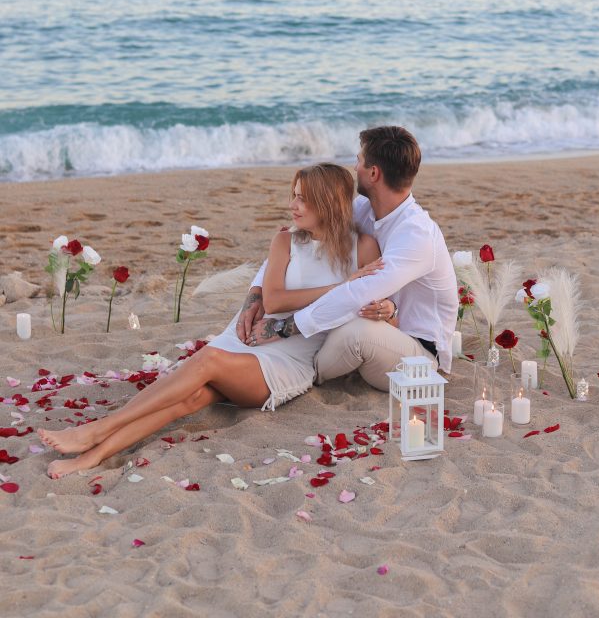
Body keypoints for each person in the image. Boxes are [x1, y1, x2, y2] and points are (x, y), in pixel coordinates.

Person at [38, 163, 381, 478]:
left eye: (303, 199)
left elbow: (372, 303)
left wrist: (356, 291)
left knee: (207, 361)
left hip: (287, 361)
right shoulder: (285, 240)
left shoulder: (362, 248)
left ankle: (96, 431)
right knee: (189, 399)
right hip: (242, 341)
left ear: (327, 203)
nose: (293, 204)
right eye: (293, 195)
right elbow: (274, 299)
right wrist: (341, 286)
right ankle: (92, 455)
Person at [243, 126, 459, 390]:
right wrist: (256, 292)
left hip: (418, 353)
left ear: (373, 173)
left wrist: (283, 328)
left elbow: (358, 292)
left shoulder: (416, 234)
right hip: (378, 327)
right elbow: (297, 240)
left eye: (358, 160)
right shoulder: (363, 209)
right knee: (345, 324)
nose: (354, 167)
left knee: (355, 332)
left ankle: (298, 371)